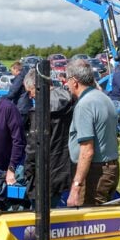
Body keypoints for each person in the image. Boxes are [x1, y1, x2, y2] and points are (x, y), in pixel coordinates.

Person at [64, 59, 120, 206]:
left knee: (90, 221)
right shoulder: (104, 98)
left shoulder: (85, 105)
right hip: (110, 168)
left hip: (95, 173)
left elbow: (87, 151)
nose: (66, 85)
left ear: (74, 81)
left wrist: (76, 187)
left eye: (67, 80)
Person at [21, 68, 74, 207]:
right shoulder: (70, 99)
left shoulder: (40, 109)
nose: (30, 97)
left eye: (29, 92)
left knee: (39, 217)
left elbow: (33, 146)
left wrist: (28, 171)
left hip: (45, 172)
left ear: (36, 87)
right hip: (66, 167)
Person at [5, 61, 33, 126]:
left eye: (12, 70)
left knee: (17, 128)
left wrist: (2, 99)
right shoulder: (25, 76)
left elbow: (13, 92)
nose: (11, 72)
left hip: (21, 107)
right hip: (26, 106)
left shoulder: (19, 78)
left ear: (16, 69)